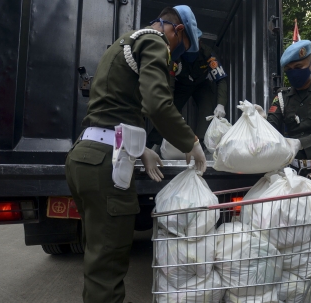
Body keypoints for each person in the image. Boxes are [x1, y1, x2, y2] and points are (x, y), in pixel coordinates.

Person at [65, 5, 205, 303]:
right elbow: (157, 105)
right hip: (107, 164)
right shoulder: (154, 40)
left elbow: (114, 106)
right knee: (108, 266)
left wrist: (140, 149)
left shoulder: (124, 41)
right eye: (180, 48)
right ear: (176, 31)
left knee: (98, 259)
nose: (176, 57)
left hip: (86, 155)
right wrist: (189, 141)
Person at [257, 40, 311, 303]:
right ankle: (300, 290)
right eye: (290, 70)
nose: (295, 72)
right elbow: (272, 129)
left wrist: (299, 143)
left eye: (299, 66)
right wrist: (259, 122)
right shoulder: (282, 98)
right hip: (294, 178)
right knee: (294, 234)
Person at [148, 31, 228, 152]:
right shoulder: (175, 55)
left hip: (202, 84)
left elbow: (220, 78)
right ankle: (151, 144)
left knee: (207, 112)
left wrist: (221, 104)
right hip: (182, 85)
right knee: (168, 113)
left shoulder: (207, 53)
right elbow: (170, 83)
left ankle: (202, 147)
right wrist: (168, 103)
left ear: (200, 43)